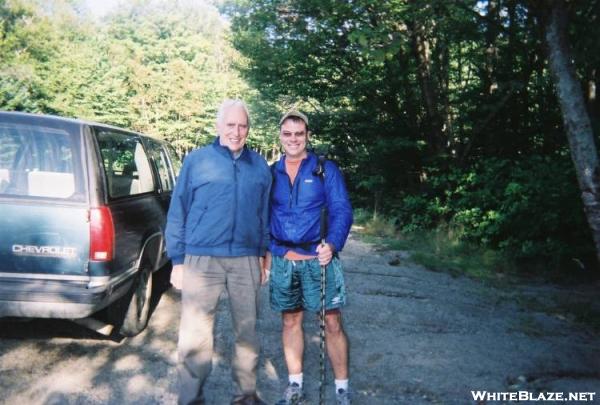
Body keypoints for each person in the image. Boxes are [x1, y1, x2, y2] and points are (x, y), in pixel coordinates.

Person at [166, 99, 271, 405]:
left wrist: (264, 255)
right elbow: (177, 211)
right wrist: (177, 260)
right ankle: (190, 398)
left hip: (246, 258)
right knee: (195, 333)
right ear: (218, 126)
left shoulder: (260, 167)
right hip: (201, 258)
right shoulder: (197, 161)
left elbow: (264, 214)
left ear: (248, 128)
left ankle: (246, 395)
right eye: (230, 125)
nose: (236, 132)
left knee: (248, 330)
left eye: (242, 126)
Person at [264, 110, 353, 405]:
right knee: (290, 322)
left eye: (298, 134)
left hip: (319, 259)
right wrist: (267, 250)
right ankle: (295, 386)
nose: (293, 139)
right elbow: (262, 215)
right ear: (280, 136)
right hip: (283, 260)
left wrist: (334, 244)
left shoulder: (324, 170)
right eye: (287, 134)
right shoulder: (270, 172)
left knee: (332, 323)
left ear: (307, 136)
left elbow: (341, 209)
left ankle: (342, 391)